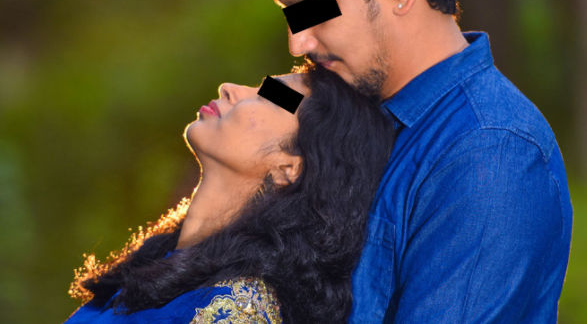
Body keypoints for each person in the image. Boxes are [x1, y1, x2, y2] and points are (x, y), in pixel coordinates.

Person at [251, 0, 573, 322]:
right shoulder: (333, 100)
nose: (297, 42)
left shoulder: (490, 149)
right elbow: (238, 115)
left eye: (312, 9)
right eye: (290, 14)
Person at [65, 65, 396, 323]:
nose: (230, 88)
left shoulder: (237, 311)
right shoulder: (161, 262)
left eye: (270, 96)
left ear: (289, 167)